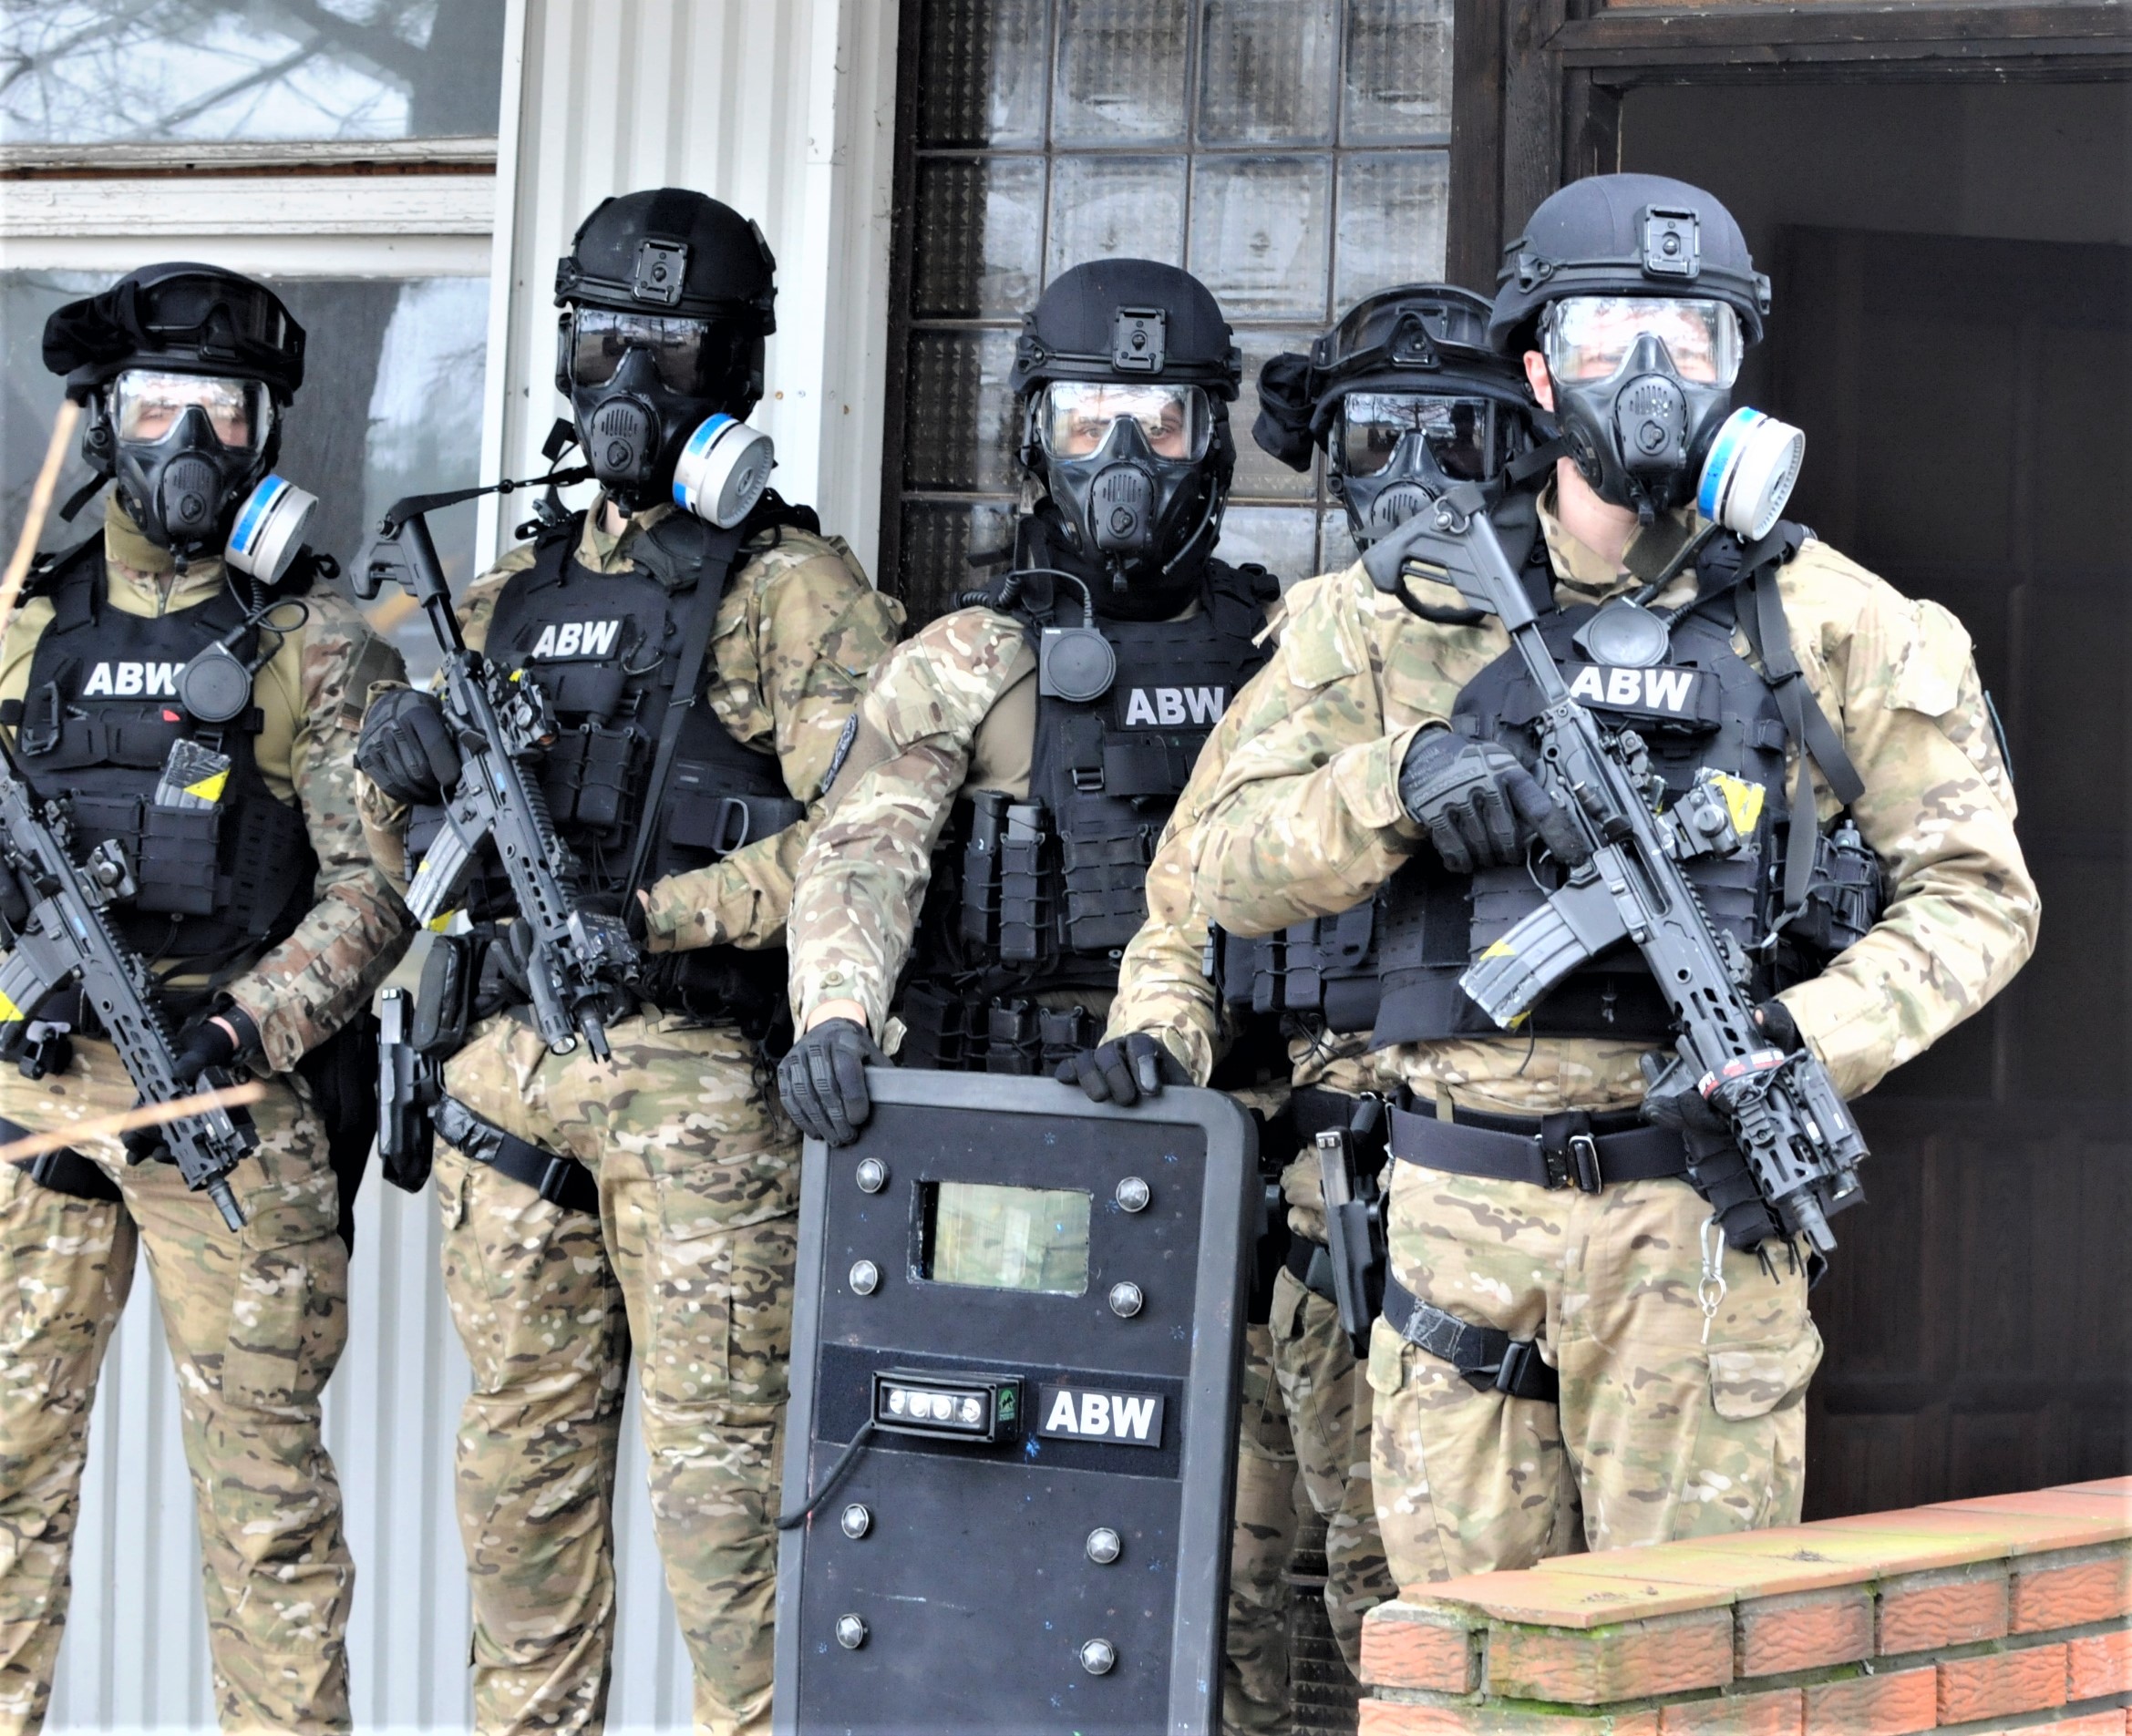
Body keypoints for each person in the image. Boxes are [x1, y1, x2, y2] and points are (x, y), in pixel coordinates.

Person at [1182, 173, 2039, 1589]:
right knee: (1471, 1662)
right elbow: (1217, 865)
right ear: (1536, 369)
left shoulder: (1845, 625)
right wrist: (1396, 783)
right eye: (1605, 337)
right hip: (1457, 1222)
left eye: (1691, 339)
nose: (1652, 375)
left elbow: (1982, 894)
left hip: (1698, 1219)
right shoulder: (1394, 611)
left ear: (1736, 363)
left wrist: (1801, 1039)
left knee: (1687, 1663)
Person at [352, 189, 902, 1736]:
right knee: (517, 1541)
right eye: (604, 341)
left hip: (700, 1110)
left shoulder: (796, 591)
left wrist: (654, 919)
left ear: (738, 372)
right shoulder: (504, 596)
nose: (630, 382)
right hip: (505, 1107)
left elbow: (864, 844)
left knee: (736, 1553)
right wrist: (394, 782)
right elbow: (415, 885)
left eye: (672, 349)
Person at [772, 259, 1280, 1727]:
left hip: (1233, 1153)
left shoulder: (1279, 647)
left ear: (1211, 440)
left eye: (1160, 423)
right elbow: (862, 853)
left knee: (1246, 1574)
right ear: (1033, 434)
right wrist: (834, 1016)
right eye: (1088, 419)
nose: (1123, 459)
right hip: (1011, 1161)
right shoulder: (969, 655)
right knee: (1009, 1550)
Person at [1069, 285, 1540, 1721]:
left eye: (1452, 437)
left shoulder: (1579, 625)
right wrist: (1157, 1038)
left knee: (1497, 1594)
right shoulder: (1326, 631)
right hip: (1343, 1190)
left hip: (1537, 1184)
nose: (1415, 475)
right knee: (1350, 1576)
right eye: (1377, 441)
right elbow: (1189, 891)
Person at [0, 263, 412, 1733]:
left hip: (226, 1096)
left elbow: (374, 894)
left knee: (265, 1515)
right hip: (39, 1082)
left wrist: (247, 1024)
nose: (188, 440)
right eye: (158, 405)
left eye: (222, 411)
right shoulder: (25, 624)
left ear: (264, 432)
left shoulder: (320, 645)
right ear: (107, 416)